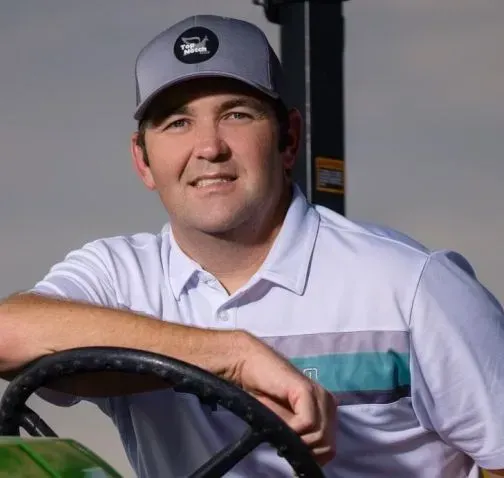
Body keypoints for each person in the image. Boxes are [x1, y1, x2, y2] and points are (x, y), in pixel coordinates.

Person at [0, 14, 503, 478]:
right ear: (143, 161)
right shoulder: (119, 277)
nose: (209, 147)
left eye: (237, 115)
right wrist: (232, 356)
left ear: (289, 139)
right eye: (177, 123)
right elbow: (7, 335)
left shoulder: (412, 286)